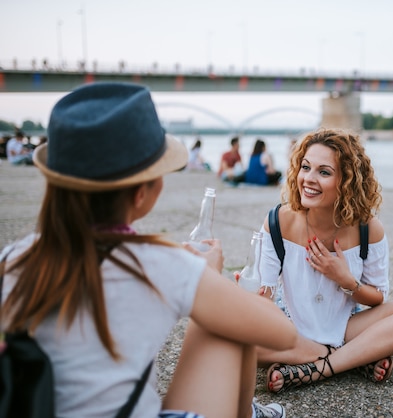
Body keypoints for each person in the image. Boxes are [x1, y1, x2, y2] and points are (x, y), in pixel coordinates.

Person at [0, 82, 297, 418]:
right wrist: (211, 278)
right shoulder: (155, 264)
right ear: (142, 193)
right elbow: (282, 334)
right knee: (229, 320)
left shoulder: (14, 257)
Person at [255, 128, 393, 393]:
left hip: (346, 327)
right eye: (305, 167)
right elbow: (265, 294)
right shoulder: (278, 221)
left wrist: (345, 280)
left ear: (347, 181)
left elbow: (377, 298)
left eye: (324, 172)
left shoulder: (368, 229)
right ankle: (354, 358)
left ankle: (315, 368)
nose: (309, 179)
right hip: (290, 328)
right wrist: (254, 293)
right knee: (232, 336)